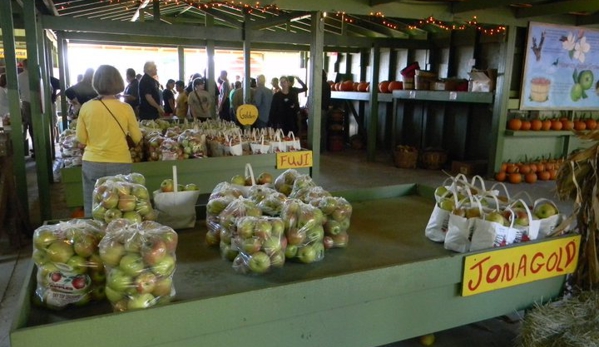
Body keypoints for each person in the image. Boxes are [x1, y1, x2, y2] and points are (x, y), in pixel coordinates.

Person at [76, 64, 142, 217]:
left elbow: (81, 139)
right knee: (120, 208)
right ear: (118, 82)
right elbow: (137, 138)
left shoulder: (86, 107)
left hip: (92, 162)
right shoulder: (126, 108)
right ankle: (116, 238)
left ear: (96, 83)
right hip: (120, 162)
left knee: (92, 206)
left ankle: (93, 237)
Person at [17, 59, 34, 155]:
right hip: (37, 103)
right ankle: (37, 148)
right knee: (34, 127)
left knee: (26, 125)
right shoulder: (35, 76)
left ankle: (22, 150)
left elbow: (17, 91)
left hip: (26, 103)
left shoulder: (19, 77)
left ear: (23, 66)